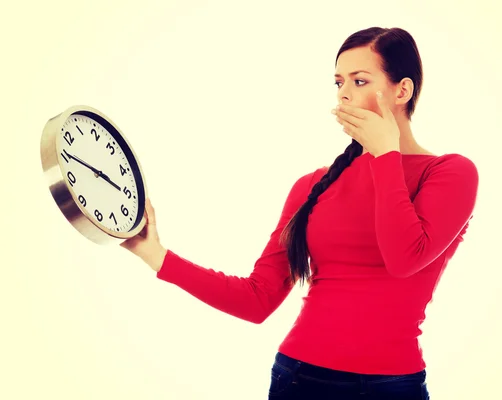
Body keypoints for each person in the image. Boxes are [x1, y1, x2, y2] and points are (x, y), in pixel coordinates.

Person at [121, 26, 479, 400]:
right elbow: (257, 299)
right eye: (338, 81)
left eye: (359, 81)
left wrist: (385, 155)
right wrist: (154, 255)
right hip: (301, 379)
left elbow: (404, 258)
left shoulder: (450, 173)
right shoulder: (313, 185)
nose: (343, 93)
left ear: (402, 90)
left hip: (392, 387)